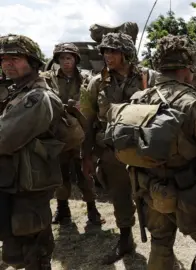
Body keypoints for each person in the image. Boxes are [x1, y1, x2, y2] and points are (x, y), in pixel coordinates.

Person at [120, 34, 196, 270]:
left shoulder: (140, 98)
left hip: (149, 189)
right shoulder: (191, 102)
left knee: (160, 243)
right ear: (187, 68)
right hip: (188, 191)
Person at [80, 32, 160, 264]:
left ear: (127, 53)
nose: (107, 56)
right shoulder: (96, 83)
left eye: (113, 51)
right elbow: (88, 120)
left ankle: (160, 243)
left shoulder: (148, 77)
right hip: (111, 151)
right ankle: (125, 239)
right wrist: (86, 156)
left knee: (152, 197)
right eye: (105, 51)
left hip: (143, 149)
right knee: (119, 196)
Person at [0, 34, 65, 270]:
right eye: (3, 58)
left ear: (33, 62)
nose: (7, 63)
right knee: (15, 250)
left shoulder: (37, 98)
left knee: (32, 251)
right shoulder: (16, 92)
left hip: (29, 186)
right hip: (14, 182)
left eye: (15, 58)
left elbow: (4, 139)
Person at [42, 42, 103, 226]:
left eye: (69, 58)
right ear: (57, 60)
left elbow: (91, 103)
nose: (66, 61)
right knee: (60, 175)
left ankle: (92, 210)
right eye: (62, 58)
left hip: (81, 133)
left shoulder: (86, 78)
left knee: (85, 173)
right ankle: (63, 210)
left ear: (76, 59)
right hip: (58, 133)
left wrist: (78, 105)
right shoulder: (48, 78)